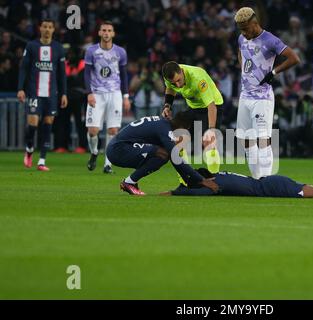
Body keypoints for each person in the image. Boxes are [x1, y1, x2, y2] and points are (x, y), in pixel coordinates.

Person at [234, 7, 300, 179]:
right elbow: (240, 52)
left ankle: (267, 180)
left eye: (246, 29)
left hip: (262, 98)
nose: (244, 33)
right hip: (245, 95)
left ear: (255, 24)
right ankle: (257, 180)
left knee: (263, 140)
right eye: (241, 30)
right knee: (246, 140)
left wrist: (273, 73)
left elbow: (294, 58)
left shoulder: (270, 40)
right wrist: (243, 69)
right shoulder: (242, 38)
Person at [106, 111, 219, 196]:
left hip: (119, 148)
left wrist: (189, 181)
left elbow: (174, 159)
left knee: (164, 154)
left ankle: (130, 182)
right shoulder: (165, 130)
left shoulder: (163, 124)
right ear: (185, 127)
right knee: (163, 154)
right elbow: (175, 158)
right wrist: (201, 180)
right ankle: (129, 182)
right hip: (118, 150)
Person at [17, 19, 67, 171]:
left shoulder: (58, 48)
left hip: (51, 93)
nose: (47, 29)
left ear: (53, 30)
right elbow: (24, 68)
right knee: (32, 124)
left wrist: (64, 93)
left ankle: (42, 161)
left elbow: (62, 74)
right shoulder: (32, 46)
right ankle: (30, 148)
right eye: (44, 26)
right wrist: (21, 88)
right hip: (34, 91)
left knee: (47, 126)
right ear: (40, 28)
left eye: (50, 27)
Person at [162, 167, 313, 200]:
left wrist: (174, 193)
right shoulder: (219, 176)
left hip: (272, 187)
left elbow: (200, 193)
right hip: (271, 183)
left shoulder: (213, 184)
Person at [84, 21, 131, 174]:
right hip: (97, 93)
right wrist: (89, 93)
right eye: (103, 30)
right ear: (99, 33)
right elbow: (86, 73)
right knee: (93, 131)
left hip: (115, 93)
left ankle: (107, 164)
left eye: (109, 30)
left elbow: (124, 75)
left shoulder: (120, 52)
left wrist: (125, 96)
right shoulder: (91, 51)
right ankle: (94, 152)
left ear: (113, 33)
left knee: (112, 130)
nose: (106, 33)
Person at [161, 61, 223, 175]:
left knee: (209, 142)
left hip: (212, 107)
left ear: (182, 71)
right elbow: (170, 89)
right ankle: (185, 178)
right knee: (177, 139)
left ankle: (215, 179)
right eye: (174, 82)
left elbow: (211, 106)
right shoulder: (169, 78)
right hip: (194, 108)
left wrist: (211, 130)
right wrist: (167, 106)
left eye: (179, 80)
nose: (178, 85)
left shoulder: (198, 78)